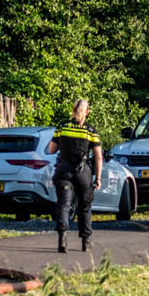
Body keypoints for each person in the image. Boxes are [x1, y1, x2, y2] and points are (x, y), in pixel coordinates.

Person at [46, 99, 103, 253]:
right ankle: (85, 241)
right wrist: (97, 178)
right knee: (84, 207)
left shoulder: (62, 127)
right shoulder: (90, 130)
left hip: (64, 170)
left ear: (73, 110)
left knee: (63, 204)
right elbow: (98, 156)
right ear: (87, 112)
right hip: (83, 171)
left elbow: (51, 150)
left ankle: (62, 240)